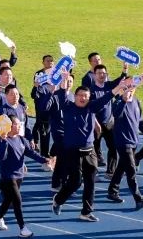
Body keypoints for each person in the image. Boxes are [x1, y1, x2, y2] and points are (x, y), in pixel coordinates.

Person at [50, 72, 123, 222]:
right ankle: (58, 200)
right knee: (75, 182)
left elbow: (107, 97)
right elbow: (62, 94)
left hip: (90, 151)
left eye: (86, 96)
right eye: (80, 95)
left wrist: (120, 86)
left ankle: (86, 212)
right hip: (72, 152)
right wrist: (64, 80)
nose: (83, 98)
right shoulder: (67, 107)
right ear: (75, 96)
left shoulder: (91, 107)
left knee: (90, 182)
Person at [0, 117, 53, 237]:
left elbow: (31, 153)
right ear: (9, 126)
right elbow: (2, 156)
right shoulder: (3, 141)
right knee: (17, 201)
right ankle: (23, 228)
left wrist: (44, 160)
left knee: (8, 199)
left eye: (19, 124)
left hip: (19, 175)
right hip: (8, 176)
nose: (20, 126)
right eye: (17, 124)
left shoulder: (21, 139)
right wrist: (3, 140)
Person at [106, 78, 143, 208]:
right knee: (131, 171)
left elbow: (140, 121)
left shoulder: (136, 101)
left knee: (121, 167)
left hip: (133, 141)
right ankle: (138, 199)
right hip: (123, 142)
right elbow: (116, 114)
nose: (130, 89)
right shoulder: (117, 101)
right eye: (127, 86)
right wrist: (124, 101)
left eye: (132, 86)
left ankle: (112, 191)